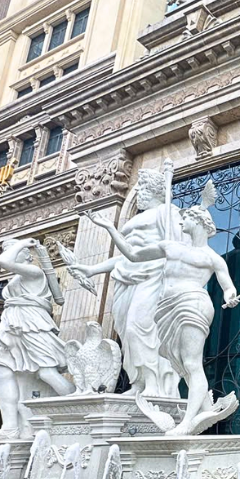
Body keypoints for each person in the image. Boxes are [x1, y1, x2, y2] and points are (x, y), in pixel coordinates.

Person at [91, 185, 239, 435]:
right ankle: (205, 408)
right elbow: (132, 255)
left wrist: (230, 295)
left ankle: (187, 423)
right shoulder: (170, 246)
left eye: (186, 219)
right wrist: (110, 228)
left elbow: (228, 286)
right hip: (168, 307)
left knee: (191, 363)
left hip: (193, 304)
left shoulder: (213, 258)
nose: (181, 223)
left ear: (198, 222)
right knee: (179, 363)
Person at [72, 160, 182, 397]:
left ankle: (155, 384)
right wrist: (92, 270)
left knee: (138, 327)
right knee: (126, 332)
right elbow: (125, 257)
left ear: (154, 190)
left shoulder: (167, 212)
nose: (138, 192)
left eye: (142, 188)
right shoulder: (134, 221)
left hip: (153, 276)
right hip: (127, 279)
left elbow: (175, 247)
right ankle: (139, 383)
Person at [0, 238, 73, 437]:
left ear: (26, 255)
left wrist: (21, 244)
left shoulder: (35, 272)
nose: (9, 252)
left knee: (46, 372)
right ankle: (10, 427)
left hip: (32, 325)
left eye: (12, 249)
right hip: (11, 327)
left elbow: (3, 261)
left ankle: (81, 407)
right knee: (4, 373)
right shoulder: (16, 279)